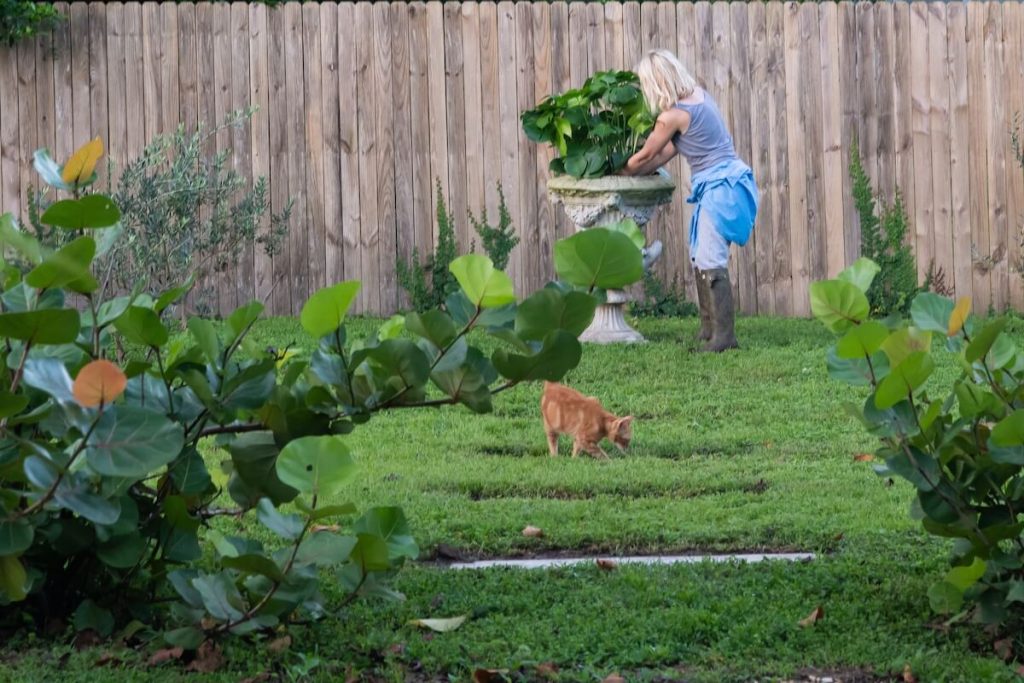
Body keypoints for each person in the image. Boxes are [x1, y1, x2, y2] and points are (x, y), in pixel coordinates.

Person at [621, 49, 759, 352]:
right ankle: (709, 329)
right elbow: (667, 153)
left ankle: (724, 337)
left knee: (710, 258)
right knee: (700, 254)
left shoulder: (672, 115)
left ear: (655, 82)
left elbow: (647, 154)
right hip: (726, 184)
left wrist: (619, 170)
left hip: (721, 187)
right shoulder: (697, 96)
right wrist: (640, 171)